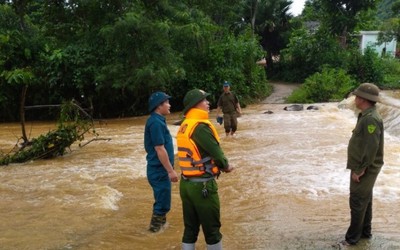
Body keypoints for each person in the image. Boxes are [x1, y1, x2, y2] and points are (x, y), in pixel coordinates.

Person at [177, 89, 234, 250]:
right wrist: (227, 166)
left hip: (186, 184)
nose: (208, 103)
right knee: (212, 231)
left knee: (190, 229)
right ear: (195, 104)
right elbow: (218, 155)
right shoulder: (200, 127)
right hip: (203, 187)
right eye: (204, 100)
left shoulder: (185, 125)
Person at [340, 83, 384, 246]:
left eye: (357, 96)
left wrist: (360, 169)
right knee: (365, 200)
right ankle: (365, 234)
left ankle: (352, 239)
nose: (355, 98)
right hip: (365, 167)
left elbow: (371, 147)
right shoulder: (366, 115)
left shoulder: (370, 119)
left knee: (358, 201)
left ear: (363, 99)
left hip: (365, 168)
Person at [144, 91, 178, 233]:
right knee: (162, 204)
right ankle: (153, 233)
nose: (169, 105)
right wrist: (170, 171)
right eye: (167, 103)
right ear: (159, 106)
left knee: (163, 203)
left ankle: (160, 231)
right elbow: (159, 149)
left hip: (159, 170)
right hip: (159, 171)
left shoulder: (157, 120)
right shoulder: (155, 123)